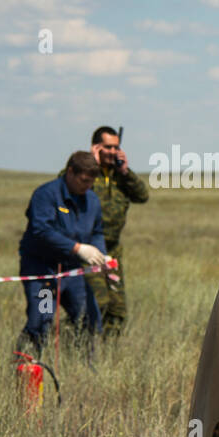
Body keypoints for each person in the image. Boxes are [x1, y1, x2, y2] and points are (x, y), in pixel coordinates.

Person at [16, 151, 109, 351]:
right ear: (70, 172)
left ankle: (87, 369)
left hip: (72, 271)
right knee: (41, 320)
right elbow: (41, 230)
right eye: (84, 180)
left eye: (91, 182)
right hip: (43, 271)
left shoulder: (92, 201)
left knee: (88, 318)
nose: (87, 186)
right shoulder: (46, 195)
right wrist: (77, 248)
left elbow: (97, 232)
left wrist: (101, 256)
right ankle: (28, 367)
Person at [86, 125, 149, 334]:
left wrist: (125, 171)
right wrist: (90, 165)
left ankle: (108, 353)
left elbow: (142, 196)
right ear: (96, 148)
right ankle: (82, 343)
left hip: (113, 250)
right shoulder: (83, 173)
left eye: (116, 147)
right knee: (98, 302)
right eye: (108, 147)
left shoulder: (120, 176)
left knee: (117, 308)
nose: (113, 152)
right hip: (89, 250)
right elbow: (64, 185)